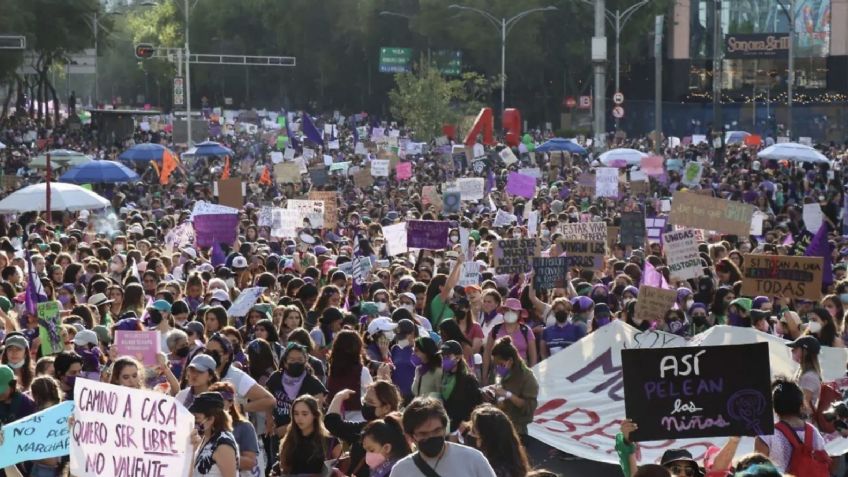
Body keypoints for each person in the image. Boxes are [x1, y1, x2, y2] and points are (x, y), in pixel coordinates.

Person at [389, 397, 495, 477]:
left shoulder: (473, 459)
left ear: (445, 428)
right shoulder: (401, 471)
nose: (431, 436)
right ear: (411, 437)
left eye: (436, 431)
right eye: (423, 434)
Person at [325, 381, 403, 477]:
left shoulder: (366, 430)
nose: (365, 405)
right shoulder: (401, 431)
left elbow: (332, 423)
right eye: (364, 401)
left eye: (370, 402)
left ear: (386, 408)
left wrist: (338, 397)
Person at [755, 378, 828, 474]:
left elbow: (756, 472)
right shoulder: (814, 433)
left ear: (774, 407)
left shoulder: (766, 436)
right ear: (801, 405)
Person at [266, 342, 327, 436]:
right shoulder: (276, 378)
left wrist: (287, 429)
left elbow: (316, 416)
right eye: (292, 360)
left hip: (303, 436)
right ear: (285, 363)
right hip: (277, 436)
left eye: (300, 359)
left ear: (305, 361)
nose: (296, 363)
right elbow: (267, 399)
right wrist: (269, 418)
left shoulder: (314, 384)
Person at [204, 332, 275, 413]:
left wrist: (238, 409)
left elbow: (269, 400)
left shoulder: (237, 376)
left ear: (227, 355)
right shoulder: (201, 372)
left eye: (215, 353)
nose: (210, 356)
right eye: (207, 352)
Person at [486, 336, 539, 437]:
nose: (498, 368)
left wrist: (508, 394)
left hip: (518, 430)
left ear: (510, 360)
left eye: (501, 364)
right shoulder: (499, 374)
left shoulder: (527, 377)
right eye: (495, 365)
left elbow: (528, 407)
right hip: (498, 426)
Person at [275, 395, 338, 475]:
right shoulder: (288, 440)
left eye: (304, 414)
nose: (299, 418)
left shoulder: (330, 441)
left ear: (315, 415)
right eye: (296, 414)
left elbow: (339, 469)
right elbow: (282, 467)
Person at [209, 381, 261, 477]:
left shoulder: (245, 427)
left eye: (220, 401)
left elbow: (250, 462)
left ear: (230, 402)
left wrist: (221, 457)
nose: (215, 405)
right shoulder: (205, 426)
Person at [468, 405, 530, 477]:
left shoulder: (493, 469)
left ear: (487, 438)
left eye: (474, 431)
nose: (470, 434)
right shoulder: (514, 459)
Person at [190, 391, 239, 477]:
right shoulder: (205, 438)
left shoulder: (223, 444)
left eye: (197, 418)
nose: (194, 422)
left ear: (211, 419)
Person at [326, 329, 373, 421]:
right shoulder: (362, 371)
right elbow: (371, 394)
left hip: (335, 417)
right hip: (358, 419)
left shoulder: (331, 370)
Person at [439, 340, 481, 432]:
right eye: (442, 356)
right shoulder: (443, 377)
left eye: (447, 356)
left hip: (462, 430)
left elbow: (476, 407)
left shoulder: (469, 380)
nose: (444, 359)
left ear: (458, 358)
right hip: (446, 427)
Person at [360, 412, 411, 477]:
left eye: (371, 450)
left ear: (387, 448)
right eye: (366, 450)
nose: (368, 455)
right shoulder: (381, 470)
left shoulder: (398, 472)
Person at [787, 335, 822, 417]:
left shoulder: (809, 377)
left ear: (805, 351)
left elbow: (803, 407)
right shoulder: (804, 373)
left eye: (796, 348)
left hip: (803, 425)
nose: (792, 350)